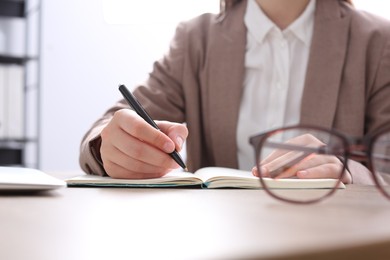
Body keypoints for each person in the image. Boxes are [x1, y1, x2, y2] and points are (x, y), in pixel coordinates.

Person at [79, 0, 390, 184]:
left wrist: (347, 172)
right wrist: (112, 146)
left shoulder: (376, 42)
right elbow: (108, 126)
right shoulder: (195, 40)